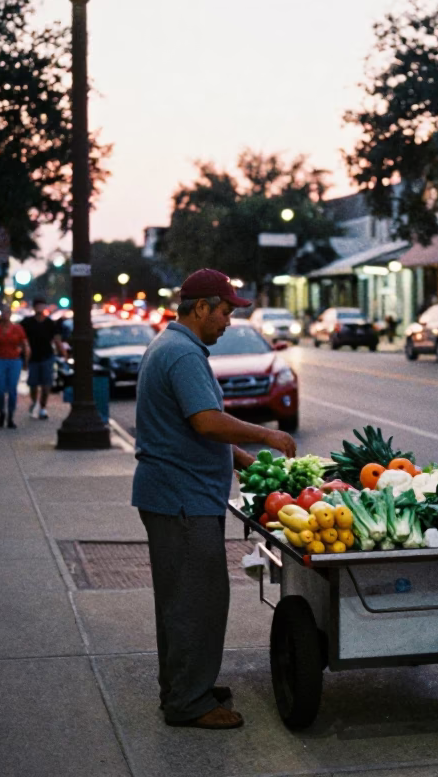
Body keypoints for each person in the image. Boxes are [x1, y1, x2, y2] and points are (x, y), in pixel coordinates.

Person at [132, 268, 297, 731]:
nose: (229, 320)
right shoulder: (183, 354)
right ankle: (189, 702)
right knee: (196, 603)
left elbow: (195, 426)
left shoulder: (173, 345)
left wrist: (245, 461)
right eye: (225, 311)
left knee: (184, 600)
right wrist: (266, 434)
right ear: (201, 308)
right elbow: (206, 421)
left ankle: (186, 686)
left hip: (178, 495)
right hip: (182, 499)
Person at [0, 307, 29, 429]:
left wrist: (26, 360)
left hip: (14, 361)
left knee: (12, 389)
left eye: (7, 313)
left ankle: (10, 415)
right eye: (3, 313)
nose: (5, 315)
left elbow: (25, 345)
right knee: (0, 389)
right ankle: (1, 412)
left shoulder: (17, 329)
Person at [21, 300, 65, 420]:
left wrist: (64, 354)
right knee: (33, 384)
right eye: (38, 306)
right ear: (34, 308)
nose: (40, 309)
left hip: (47, 356)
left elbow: (57, 339)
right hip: (33, 357)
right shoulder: (27, 322)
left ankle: (43, 407)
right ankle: (35, 402)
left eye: (42, 306)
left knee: (46, 384)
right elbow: (21, 339)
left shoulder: (50, 323)